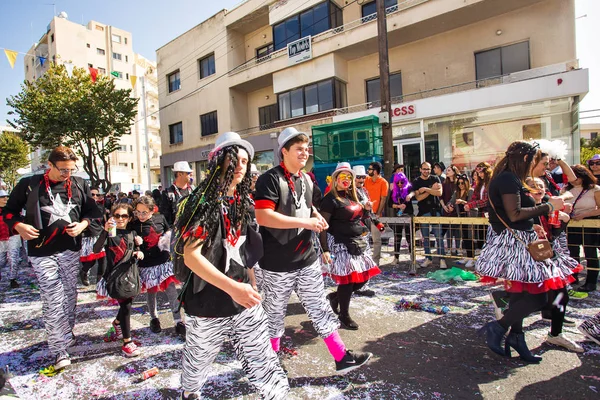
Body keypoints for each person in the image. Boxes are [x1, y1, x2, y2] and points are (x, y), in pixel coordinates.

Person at [173, 131, 289, 400]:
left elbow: (243, 250)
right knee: (198, 360)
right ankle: (189, 392)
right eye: (232, 159)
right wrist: (233, 289)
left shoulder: (243, 203)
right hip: (206, 303)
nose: (239, 166)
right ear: (217, 162)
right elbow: (191, 256)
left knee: (264, 359)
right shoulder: (199, 203)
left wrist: (251, 283)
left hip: (244, 301)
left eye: (245, 162)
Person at [254, 127, 372, 374]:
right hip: (276, 263)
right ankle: (271, 363)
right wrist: (305, 222)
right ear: (284, 151)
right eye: (298, 149)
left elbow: (308, 207)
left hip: (306, 258)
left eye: (306, 149)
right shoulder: (270, 178)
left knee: (320, 307)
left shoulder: (307, 179)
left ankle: (342, 357)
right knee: (274, 315)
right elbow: (263, 217)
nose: (304, 153)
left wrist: (315, 215)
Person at [1, 146, 101, 371]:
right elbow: (8, 211)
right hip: (41, 250)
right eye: (63, 170)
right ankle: (59, 349)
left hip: (70, 250)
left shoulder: (79, 184)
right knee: (53, 297)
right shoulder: (29, 184)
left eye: (71, 169)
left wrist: (83, 225)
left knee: (69, 295)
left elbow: (93, 212)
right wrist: (19, 225)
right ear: (50, 165)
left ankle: (66, 333)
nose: (68, 174)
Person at [475, 141, 576, 364]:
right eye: (533, 160)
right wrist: (551, 206)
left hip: (521, 240)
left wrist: (538, 218)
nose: (534, 164)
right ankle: (499, 328)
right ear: (524, 159)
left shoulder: (510, 178)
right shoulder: (507, 179)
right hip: (516, 244)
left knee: (522, 294)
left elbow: (519, 213)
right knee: (539, 295)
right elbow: (515, 214)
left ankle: (517, 338)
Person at [319, 163, 380, 330]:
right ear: (335, 179)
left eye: (349, 177)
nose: (346, 180)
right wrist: (324, 249)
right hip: (340, 245)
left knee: (363, 278)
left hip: (357, 244)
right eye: (342, 177)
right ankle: (344, 315)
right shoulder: (329, 200)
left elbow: (360, 217)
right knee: (348, 280)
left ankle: (335, 297)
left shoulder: (352, 197)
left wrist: (366, 209)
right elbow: (323, 225)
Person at [525, 177, 583, 352]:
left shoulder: (549, 207)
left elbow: (555, 235)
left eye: (541, 186)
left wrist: (563, 220)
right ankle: (503, 304)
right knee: (527, 297)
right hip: (527, 260)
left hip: (547, 257)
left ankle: (556, 334)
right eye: (534, 186)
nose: (538, 189)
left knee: (560, 295)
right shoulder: (524, 208)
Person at [95, 203, 144, 357]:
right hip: (115, 276)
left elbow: (134, 250)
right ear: (112, 217)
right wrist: (104, 230)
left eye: (124, 216)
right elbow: (96, 249)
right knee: (126, 306)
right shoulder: (111, 231)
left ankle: (116, 324)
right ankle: (127, 342)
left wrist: (139, 252)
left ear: (129, 218)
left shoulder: (133, 233)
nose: (121, 219)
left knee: (126, 305)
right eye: (117, 215)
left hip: (130, 274)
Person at [131, 196, 185, 335]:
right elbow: (128, 242)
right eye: (138, 212)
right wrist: (135, 244)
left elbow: (169, 233)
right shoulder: (133, 224)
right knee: (151, 293)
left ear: (152, 210)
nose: (141, 215)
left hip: (163, 262)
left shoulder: (160, 218)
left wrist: (168, 238)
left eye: (144, 212)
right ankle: (154, 318)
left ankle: (178, 321)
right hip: (146, 265)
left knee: (171, 291)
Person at [563, 165, 600, 293]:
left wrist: (585, 215)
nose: (573, 180)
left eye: (576, 177)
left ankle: (591, 281)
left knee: (590, 253)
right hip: (571, 224)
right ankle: (573, 277)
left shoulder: (594, 189)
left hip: (589, 224)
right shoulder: (566, 190)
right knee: (572, 252)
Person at [412, 162, 445, 269]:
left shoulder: (435, 178)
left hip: (436, 211)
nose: (426, 171)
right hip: (423, 212)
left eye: (428, 169)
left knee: (439, 236)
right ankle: (428, 258)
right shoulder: (417, 181)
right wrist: (432, 189)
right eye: (424, 169)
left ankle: (442, 258)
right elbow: (418, 198)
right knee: (425, 237)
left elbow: (439, 193)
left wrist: (426, 189)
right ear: (421, 169)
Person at [79, 187, 107, 286]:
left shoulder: (100, 207)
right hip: (87, 236)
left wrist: (109, 233)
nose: (95, 196)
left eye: (97, 195)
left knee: (103, 260)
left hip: (100, 235)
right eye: (92, 194)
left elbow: (105, 221)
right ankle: (84, 272)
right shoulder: (82, 207)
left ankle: (100, 283)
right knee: (91, 260)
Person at [464, 162, 492, 259]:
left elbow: (487, 200)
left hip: (490, 213)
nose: (479, 175)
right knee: (481, 237)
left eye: (481, 172)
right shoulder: (479, 184)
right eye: (478, 173)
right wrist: (469, 204)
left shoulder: (491, 183)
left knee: (489, 237)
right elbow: (475, 197)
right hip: (481, 213)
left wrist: (471, 204)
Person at [364, 161, 389, 267]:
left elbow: (383, 199)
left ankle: (375, 262)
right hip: (364, 213)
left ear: (375, 171)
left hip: (376, 215)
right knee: (363, 238)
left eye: (370, 169)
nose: (368, 171)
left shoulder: (383, 182)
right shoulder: (366, 180)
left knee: (376, 240)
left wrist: (378, 213)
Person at [389, 172, 414, 266]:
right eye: (397, 182)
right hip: (398, 216)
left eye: (401, 182)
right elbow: (389, 204)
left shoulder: (409, 187)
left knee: (409, 237)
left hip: (408, 215)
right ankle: (396, 257)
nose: (399, 184)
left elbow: (414, 192)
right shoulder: (394, 191)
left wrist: (410, 195)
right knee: (397, 237)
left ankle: (412, 257)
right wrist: (398, 206)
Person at [451, 174, 475, 267]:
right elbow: (451, 201)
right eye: (459, 183)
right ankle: (468, 256)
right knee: (464, 238)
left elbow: (472, 204)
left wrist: (462, 201)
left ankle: (471, 257)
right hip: (461, 217)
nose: (460, 185)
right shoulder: (456, 192)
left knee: (470, 237)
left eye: (462, 183)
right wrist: (450, 206)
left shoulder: (470, 191)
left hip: (469, 217)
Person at [0, 189, 21, 288]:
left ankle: (13, 279)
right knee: (1, 260)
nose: (5, 199)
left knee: (14, 259)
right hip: (1, 238)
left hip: (13, 236)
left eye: (6, 197)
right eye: (2, 197)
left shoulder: (12, 209)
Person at [161, 161, 194, 225]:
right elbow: (165, 218)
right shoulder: (167, 193)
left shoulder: (193, 190)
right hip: (176, 231)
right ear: (179, 174)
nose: (191, 174)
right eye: (188, 173)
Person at [440, 165, 460, 256]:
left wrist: (454, 205)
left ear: (454, 171)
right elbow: (441, 196)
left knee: (457, 229)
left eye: (449, 170)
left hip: (457, 209)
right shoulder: (444, 183)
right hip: (446, 209)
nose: (447, 172)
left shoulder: (458, 183)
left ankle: (458, 248)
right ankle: (449, 248)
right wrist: (444, 206)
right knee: (449, 230)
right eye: (447, 170)